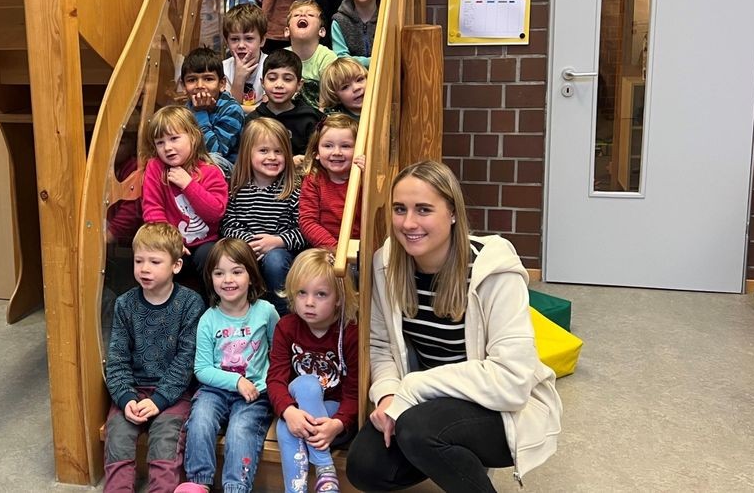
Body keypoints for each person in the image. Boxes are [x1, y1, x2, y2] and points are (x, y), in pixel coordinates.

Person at [346, 160, 563, 492]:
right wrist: (389, 394)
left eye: (424, 210)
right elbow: (380, 346)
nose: (408, 223)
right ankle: (451, 453)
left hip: (498, 405)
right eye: (399, 209)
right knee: (365, 466)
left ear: (452, 213)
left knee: (418, 430)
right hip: (431, 400)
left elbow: (513, 379)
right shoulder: (386, 263)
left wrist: (412, 389)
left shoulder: (494, 269)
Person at [104, 222, 206, 493]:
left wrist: (159, 400)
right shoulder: (125, 304)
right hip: (133, 390)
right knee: (117, 439)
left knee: (165, 445)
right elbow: (116, 359)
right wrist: (125, 398)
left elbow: (186, 361)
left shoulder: (190, 303)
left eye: (155, 261)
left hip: (173, 394)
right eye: (139, 261)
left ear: (176, 266)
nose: (145, 268)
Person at [176, 239, 281, 493]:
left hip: (255, 395)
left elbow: (278, 355)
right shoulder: (208, 319)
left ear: (251, 275)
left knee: (240, 429)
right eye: (219, 273)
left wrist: (265, 384)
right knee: (200, 420)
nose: (228, 280)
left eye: (237, 271)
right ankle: (199, 483)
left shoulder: (265, 312)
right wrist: (235, 381)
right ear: (210, 278)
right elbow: (201, 369)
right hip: (214, 390)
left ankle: (236, 487)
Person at [267, 249, 360, 493]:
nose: (309, 302)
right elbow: (275, 379)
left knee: (301, 398)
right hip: (298, 409)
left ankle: (313, 476)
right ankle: (324, 472)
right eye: (302, 293)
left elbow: (354, 392)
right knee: (301, 393)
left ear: (338, 297)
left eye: (321, 294)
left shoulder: (350, 332)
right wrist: (288, 411)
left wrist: (338, 424)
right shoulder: (286, 327)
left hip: (331, 416)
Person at [220, 118, 305, 314]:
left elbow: (303, 230)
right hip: (246, 250)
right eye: (264, 151)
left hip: (280, 253)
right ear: (248, 153)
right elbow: (229, 224)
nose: (272, 157)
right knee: (222, 255)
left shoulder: (292, 190)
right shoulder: (237, 189)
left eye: (279, 151)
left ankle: (284, 315)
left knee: (274, 260)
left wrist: (277, 241)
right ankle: (230, 313)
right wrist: (249, 243)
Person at [141, 105, 229, 279]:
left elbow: (215, 213)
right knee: (157, 257)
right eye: (160, 142)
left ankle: (213, 304)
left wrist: (188, 185)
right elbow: (153, 209)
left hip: (205, 242)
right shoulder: (155, 167)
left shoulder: (211, 171)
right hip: (168, 240)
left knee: (209, 257)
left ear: (193, 137)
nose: (167, 147)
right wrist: (171, 243)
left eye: (174, 138)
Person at [246, 49, 323, 165]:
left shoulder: (310, 118)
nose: (279, 85)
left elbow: (317, 157)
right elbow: (245, 158)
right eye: (272, 78)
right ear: (262, 83)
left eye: (287, 79)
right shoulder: (253, 120)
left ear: (299, 85)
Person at [299, 114, 363, 251]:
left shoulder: (363, 179)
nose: (337, 152)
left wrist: (368, 176)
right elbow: (307, 222)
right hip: (324, 248)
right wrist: (334, 249)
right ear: (316, 152)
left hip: (359, 248)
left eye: (345, 146)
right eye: (328, 146)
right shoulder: (313, 180)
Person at [183, 47, 247, 171]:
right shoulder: (186, 109)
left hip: (227, 167)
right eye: (192, 80)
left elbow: (216, 151)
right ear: (183, 86)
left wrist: (200, 112)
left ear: (222, 84)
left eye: (208, 79)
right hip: (193, 162)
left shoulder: (232, 110)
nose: (200, 86)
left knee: (211, 160)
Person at [284, 0, 337, 111]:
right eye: (297, 15)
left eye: (310, 15)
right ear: (287, 31)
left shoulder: (327, 57)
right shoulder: (281, 57)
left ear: (321, 31)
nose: (302, 14)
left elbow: (324, 105)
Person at [222, 4, 269, 111]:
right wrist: (239, 78)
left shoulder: (271, 65)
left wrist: (240, 108)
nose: (241, 45)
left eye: (249, 38)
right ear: (226, 42)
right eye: (234, 39)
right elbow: (229, 112)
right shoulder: (223, 68)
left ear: (262, 40)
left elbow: (269, 111)